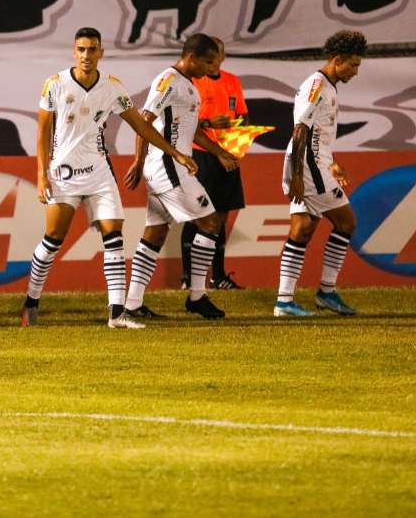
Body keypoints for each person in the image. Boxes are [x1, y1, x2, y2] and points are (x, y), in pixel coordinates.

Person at [21, 27, 198, 329]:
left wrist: (175, 153)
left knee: (114, 235)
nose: (86, 56)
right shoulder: (54, 84)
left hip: (100, 172)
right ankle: (31, 301)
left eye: (92, 49)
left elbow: (141, 126)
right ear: (74, 52)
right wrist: (41, 175)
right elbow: (42, 132)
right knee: (53, 240)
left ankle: (117, 313)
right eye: (81, 49)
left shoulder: (113, 88)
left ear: (101, 52)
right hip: (63, 174)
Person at [123, 33, 239, 320]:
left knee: (155, 232)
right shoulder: (168, 80)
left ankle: (133, 303)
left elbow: (193, 130)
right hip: (167, 165)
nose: (212, 68)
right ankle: (197, 296)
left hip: (170, 165)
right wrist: (138, 161)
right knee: (211, 222)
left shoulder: (188, 86)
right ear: (191, 57)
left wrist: (218, 152)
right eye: (209, 62)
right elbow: (143, 121)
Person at [274, 30, 366, 317]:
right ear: (337, 60)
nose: (355, 71)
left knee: (303, 228)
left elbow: (316, 134)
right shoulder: (317, 85)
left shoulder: (328, 86)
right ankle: (326, 292)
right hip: (308, 168)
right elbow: (300, 129)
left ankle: (284, 301)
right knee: (347, 223)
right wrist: (300, 175)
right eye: (352, 64)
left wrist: (332, 162)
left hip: (314, 164)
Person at [180, 37, 248, 290]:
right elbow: (187, 122)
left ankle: (218, 276)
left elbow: (242, 114)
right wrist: (209, 124)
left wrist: (237, 141)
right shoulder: (193, 80)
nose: (215, 59)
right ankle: (188, 277)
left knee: (221, 216)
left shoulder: (232, 81)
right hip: (201, 153)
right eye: (210, 55)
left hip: (228, 154)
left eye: (218, 54)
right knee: (196, 216)